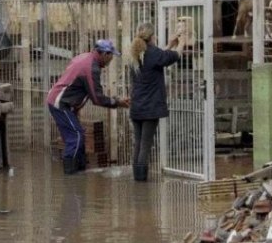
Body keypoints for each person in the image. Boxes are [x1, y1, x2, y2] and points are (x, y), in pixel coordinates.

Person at [47, 39, 130, 175]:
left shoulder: (85, 57)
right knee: (76, 136)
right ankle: (70, 176)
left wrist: (76, 109)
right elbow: (97, 98)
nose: (111, 60)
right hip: (60, 103)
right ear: (104, 54)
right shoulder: (92, 67)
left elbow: (76, 86)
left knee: (77, 136)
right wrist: (118, 102)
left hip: (63, 102)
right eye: (110, 56)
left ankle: (79, 173)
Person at [128, 22, 185, 181]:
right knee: (146, 144)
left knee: (138, 143)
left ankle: (137, 178)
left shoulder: (136, 53)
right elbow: (174, 56)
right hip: (150, 107)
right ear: (152, 37)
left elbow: (159, 57)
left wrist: (169, 44)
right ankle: (141, 181)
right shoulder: (153, 53)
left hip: (137, 106)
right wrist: (181, 43)